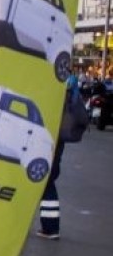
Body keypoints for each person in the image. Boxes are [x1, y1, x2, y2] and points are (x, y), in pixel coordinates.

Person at [37, 76, 86, 240]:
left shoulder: (49, 78)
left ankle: (49, 228)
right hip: (57, 137)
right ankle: (50, 227)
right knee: (49, 180)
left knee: (45, 180)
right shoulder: (68, 81)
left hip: (47, 135)